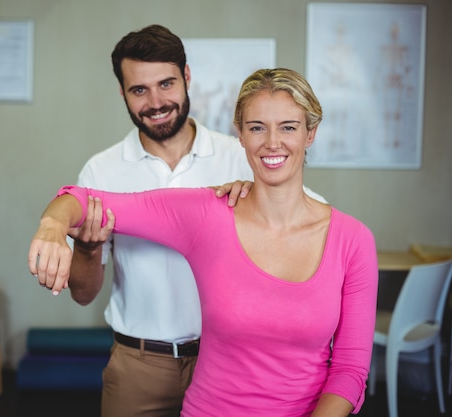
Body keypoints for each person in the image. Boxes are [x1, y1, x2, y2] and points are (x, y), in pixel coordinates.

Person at [29, 67, 378, 417]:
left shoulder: (353, 240)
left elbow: (350, 370)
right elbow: (81, 199)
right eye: (257, 127)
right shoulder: (208, 213)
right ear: (239, 134)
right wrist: (51, 225)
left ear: (310, 133)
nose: (273, 142)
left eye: (288, 127)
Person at [62, 25, 326, 417]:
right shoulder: (101, 172)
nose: (155, 101)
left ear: (187, 77)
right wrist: (86, 247)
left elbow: (312, 218)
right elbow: (82, 294)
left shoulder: (241, 158)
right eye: (139, 90)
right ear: (122, 93)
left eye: (166, 83)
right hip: (138, 364)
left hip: (231, 364)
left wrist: (257, 196)